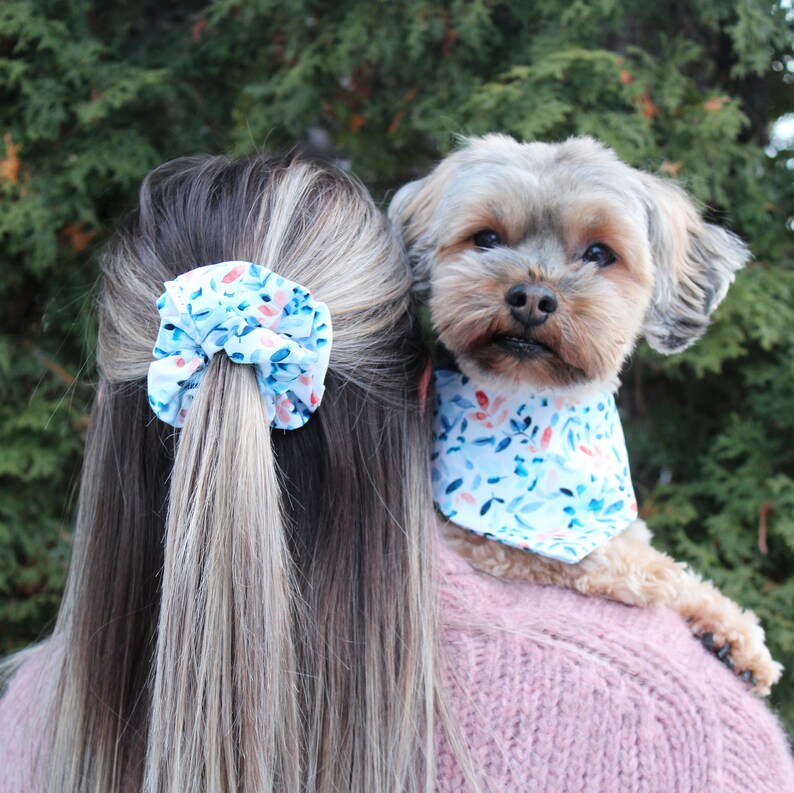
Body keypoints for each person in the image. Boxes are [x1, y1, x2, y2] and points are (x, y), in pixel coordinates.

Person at [0, 153, 792, 793]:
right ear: (416, 372)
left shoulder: (32, 715)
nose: (534, 290)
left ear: (109, 411)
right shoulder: (685, 729)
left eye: (595, 254)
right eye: (489, 241)